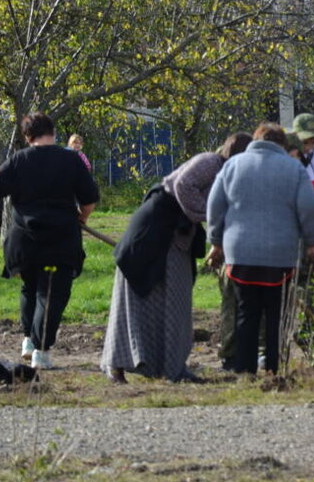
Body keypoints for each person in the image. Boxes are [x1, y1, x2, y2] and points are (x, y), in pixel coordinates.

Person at [102, 131, 250, 384]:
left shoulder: (228, 173)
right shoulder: (210, 162)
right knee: (136, 298)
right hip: (153, 230)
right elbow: (183, 184)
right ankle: (116, 365)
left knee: (175, 299)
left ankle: (170, 367)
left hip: (175, 236)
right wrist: (208, 214)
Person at [207, 123, 314, 375]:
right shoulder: (294, 169)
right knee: (275, 314)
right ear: (282, 145)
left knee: (245, 312)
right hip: (281, 255)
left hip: (240, 254)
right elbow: (309, 208)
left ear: (255, 140)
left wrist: (216, 242)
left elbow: (215, 207)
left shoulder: (232, 166)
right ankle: (274, 368)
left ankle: (244, 370)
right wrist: (313, 242)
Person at [0, 113, 100, 370]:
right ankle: (41, 350)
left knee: (30, 286)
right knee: (52, 293)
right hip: (59, 241)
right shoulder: (71, 160)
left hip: (24, 242)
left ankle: (28, 340)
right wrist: (82, 218)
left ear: (28, 137)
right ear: (54, 132)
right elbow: (89, 199)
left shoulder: (18, 159)